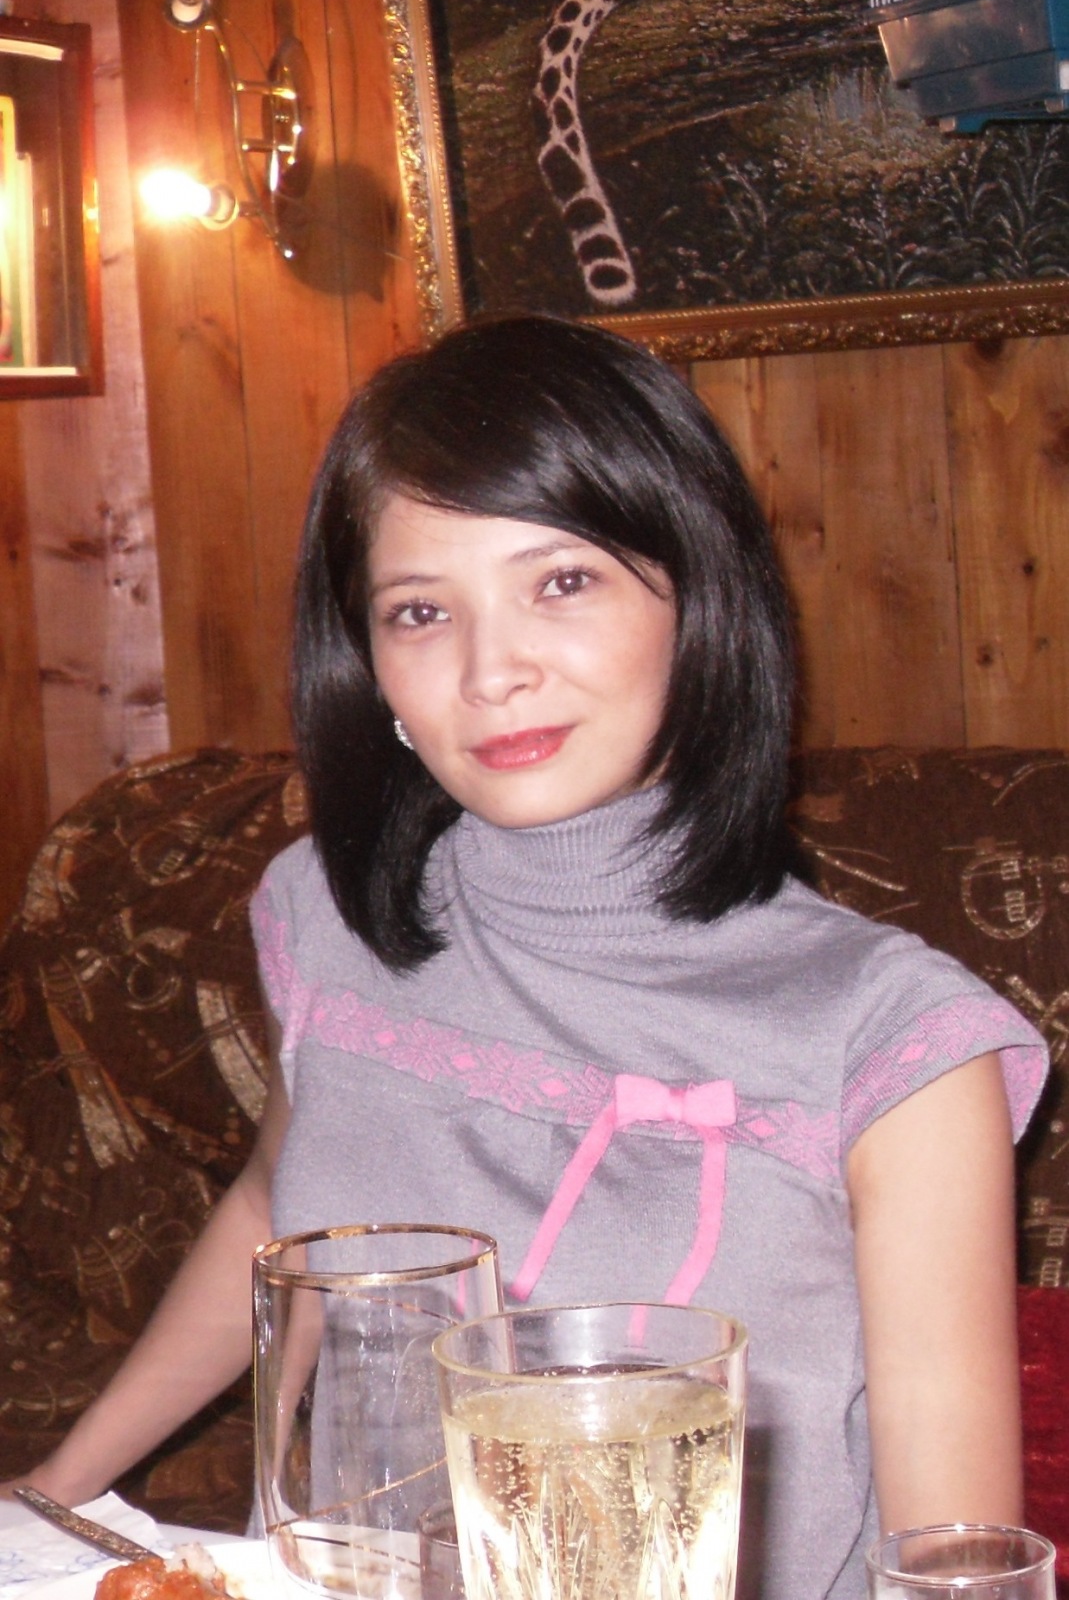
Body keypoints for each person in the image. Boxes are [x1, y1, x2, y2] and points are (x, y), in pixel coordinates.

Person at [9, 315, 1047, 1600]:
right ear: (369, 665)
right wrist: (52, 1495)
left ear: (698, 597)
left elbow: (954, 1562)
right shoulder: (325, 914)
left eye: (561, 582)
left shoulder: (896, 1039)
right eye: (420, 610)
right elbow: (280, 1215)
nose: (491, 670)